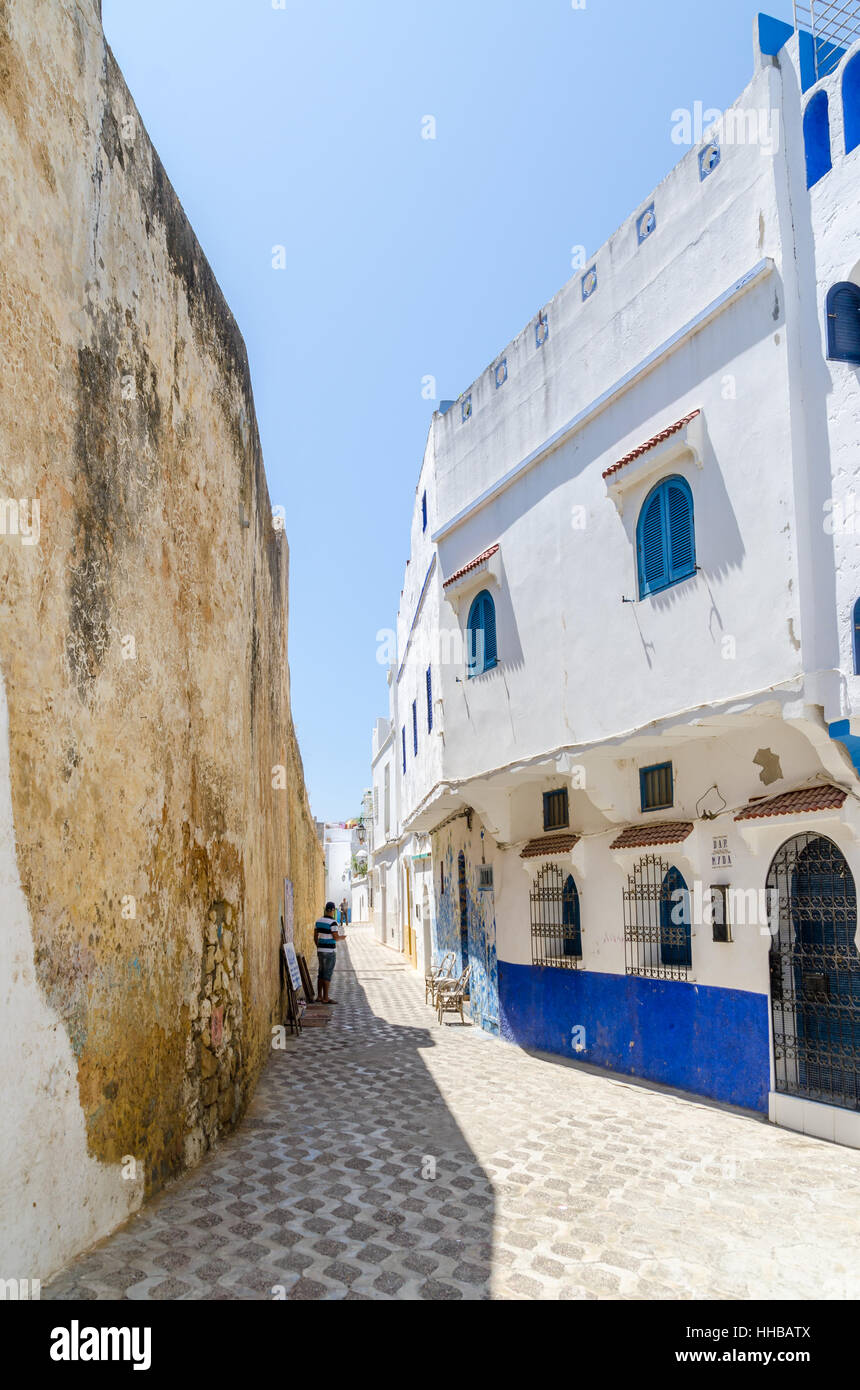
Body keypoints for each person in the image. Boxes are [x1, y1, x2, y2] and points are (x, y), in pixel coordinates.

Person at [314, 901, 343, 1003]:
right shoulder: (333, 923)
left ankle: (319, 996)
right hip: (329, 952)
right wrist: (341, 938)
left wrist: (319, 946)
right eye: (334, 910)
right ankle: (326, 998)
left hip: (320, 951)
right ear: (332, 910)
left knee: (320, 973)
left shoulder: (318, 921)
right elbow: (335, 937)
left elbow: (315, 937)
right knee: (327, 974)